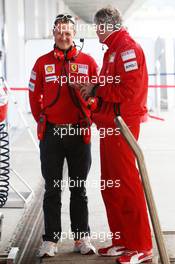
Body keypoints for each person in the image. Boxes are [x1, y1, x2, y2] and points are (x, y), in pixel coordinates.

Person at [78, 7, 153, 264]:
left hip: (123, 125)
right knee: (110, 185)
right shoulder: (112, 50)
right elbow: (110, 90)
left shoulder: (127, 49)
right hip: (110, 124)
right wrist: (94, 98)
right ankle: (122, 241)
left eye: (98, 27)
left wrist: (97, 89)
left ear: (108, 26)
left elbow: (129, 90)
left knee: (127, 184)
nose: (96, 32)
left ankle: (141, 246)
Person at [28, 14, 98, 258]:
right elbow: (33, 95)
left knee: (79, 188)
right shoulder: (41, 63)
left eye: (68, 32)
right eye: (59, 31)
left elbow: (96, 95)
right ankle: (51, 240)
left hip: (79, 133)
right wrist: (42, 120)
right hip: (52, 134)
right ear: (53, 33)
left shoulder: (88, 62)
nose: (63, 36)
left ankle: (82, 238)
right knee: (52, 189)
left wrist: (89, 111)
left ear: (74, 34)